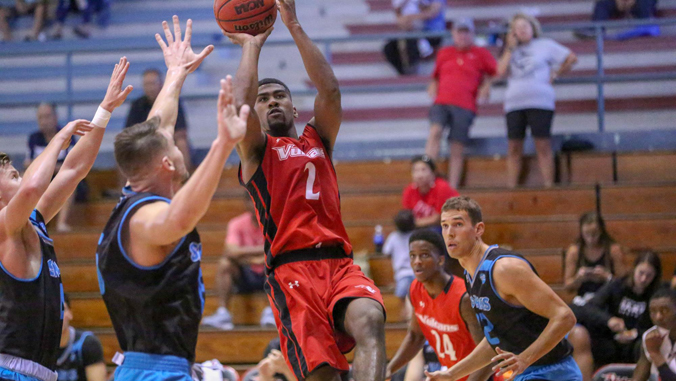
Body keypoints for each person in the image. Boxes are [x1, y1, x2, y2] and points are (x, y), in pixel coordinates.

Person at [223, 0, 387, 379]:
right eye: (263, 99)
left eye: (279, 96)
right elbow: (240, 108)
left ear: (295, 110)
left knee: (371, 319)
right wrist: (252, 45)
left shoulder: (319, 139)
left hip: (339, 263)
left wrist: (293, 24)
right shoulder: (256, 151)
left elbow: (330, 93)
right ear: (258, 114)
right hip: (291, 271)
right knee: (322, 375)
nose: (271, 102)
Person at [96, 16, 248, 381]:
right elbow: (179, 220)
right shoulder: (145, 220)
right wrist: (222, 145)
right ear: (166, 162)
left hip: (159, 365)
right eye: (175, 145)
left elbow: (158, 125)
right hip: (154, 372)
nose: (179, 143)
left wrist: (176, 72)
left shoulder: (133, 197)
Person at [0, 57, 131, 381]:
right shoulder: (3, 225)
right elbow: (32, 186)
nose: (11, 167)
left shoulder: (34, 219)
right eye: (4, 170)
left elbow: (73, 170)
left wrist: (104, 111)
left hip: (41, 371)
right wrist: (60, 136)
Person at [427, 196, 581, 381]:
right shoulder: (470, 274)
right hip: (527, 374)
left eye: (458, 224)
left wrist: (524, 359)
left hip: (553, 373)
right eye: (445, 225)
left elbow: (565, 317)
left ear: (478, 229)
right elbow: (495, 338)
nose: (450, 233)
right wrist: (452, 374)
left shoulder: (504, 269)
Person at [386, 229, 494, 381]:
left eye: (424, 255)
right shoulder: (415, 289)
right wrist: (389, 369)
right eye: (412, 256)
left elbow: (487, 356)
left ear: (441, 260)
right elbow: (416, 336)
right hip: (449, 375)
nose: (417, 261)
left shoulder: (464, 298)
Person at [496, 13, 577, 188]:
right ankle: (512, 188)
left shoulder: (545, 45)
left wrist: (556, 72)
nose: (522, 30)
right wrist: (510, 48)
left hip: (540, 101)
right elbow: (499, 72)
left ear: (533, 28)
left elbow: (571, 57)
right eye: (518, 28)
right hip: (514, 103)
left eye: (525, 26)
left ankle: (549, 185)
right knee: (513, 147)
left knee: (542, 145)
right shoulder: (509, 50)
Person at [425, 18, 497, 188]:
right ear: (453, 34)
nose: (463, 36)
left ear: (472, 34)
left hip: (464, 104)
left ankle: (452, 187)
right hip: (442, 100)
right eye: (459, 32)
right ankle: (427, 174)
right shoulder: (445, 52)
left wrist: (487, 84)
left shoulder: (480, 53)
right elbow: (436, 75)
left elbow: (496, 71)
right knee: (435, 131)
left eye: (466, 32)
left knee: (456, 146)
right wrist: (433, 84)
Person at [572, 251, 662, 368]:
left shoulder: (656, 295)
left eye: (649, 275)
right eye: (641, 273)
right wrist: (608, 320)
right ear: (634, 269)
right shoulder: (617, 285)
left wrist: (636, 333)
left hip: (637, 342)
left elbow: (658, 326)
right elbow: (590, 308)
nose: (643, 279)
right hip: (611, 338)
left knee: (645, 346)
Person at [202, 193, 271, 330]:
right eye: (252, 201)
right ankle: (223, 313)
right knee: (225, 264)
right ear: (246, 203)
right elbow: (231, 252)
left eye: (260, 200)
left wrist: (245, 254)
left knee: (276, 263)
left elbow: (276, 251)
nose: (256, 204)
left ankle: (272, 311)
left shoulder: (273, 223)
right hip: (246, 273)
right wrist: (261, 253)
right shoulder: (237, 223)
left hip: (267, 272)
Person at [125, 68, 193, 172]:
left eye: (153, 83)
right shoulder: (137, 105)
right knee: (124, 148)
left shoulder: (173, 102)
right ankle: (125, 187)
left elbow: (181, 132)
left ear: (161, 84)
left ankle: (184, 182)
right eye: (147, 84)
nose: (150, 88)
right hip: (144, 142)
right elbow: (129, 132)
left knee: (182, 143)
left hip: (168, 141)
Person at [24, 103, 78, 232]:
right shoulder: (34, 138)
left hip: (61, 178)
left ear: (55, 117)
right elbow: (27, 164)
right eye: (40, 118)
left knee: (68, 181)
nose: (44, 121)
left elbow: (72, 165)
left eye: (47, 116)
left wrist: (46, 167)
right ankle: (28, 223)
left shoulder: (68, 135)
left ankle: (61, 224)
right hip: (41, 179)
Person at [564, 212, 627, 307]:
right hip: (583, 299)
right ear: (581, 232)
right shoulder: (575, 251)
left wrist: (607, 277)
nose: (590, 239)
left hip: (607, 300)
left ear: (601, 231)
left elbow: (625, 285)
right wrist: (579, 278)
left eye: (594, 234)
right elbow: (567, 287)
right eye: (586, 234)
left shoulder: (613, 250)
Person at [56, 294, 106, 381]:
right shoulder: (35, 345)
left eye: (62, 309)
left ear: (70, 314)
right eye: (53, 311)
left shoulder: (88, 343)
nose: (58, 316)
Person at [403, 155, 459, 230]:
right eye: (416, 171)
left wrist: (412, 224)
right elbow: (407, 215)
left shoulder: (442, 187)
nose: (419, 175)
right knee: (396, 236)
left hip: (446, 226)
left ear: (433, 173)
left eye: (423, 170)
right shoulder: (409, 190)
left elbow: (439, 218)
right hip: (420, 228)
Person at [632, 287, 676, 381]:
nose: (658, 317)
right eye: (653, 311)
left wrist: (656, 354)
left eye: (664, 311)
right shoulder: (650, 337)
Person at [383, 209, 416, 319]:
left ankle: (404, 311)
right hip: (417, 271)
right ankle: (412, 312)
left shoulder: (393, 237)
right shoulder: (416, 235)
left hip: (402, 273)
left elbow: (386, 252)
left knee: (402, 294)